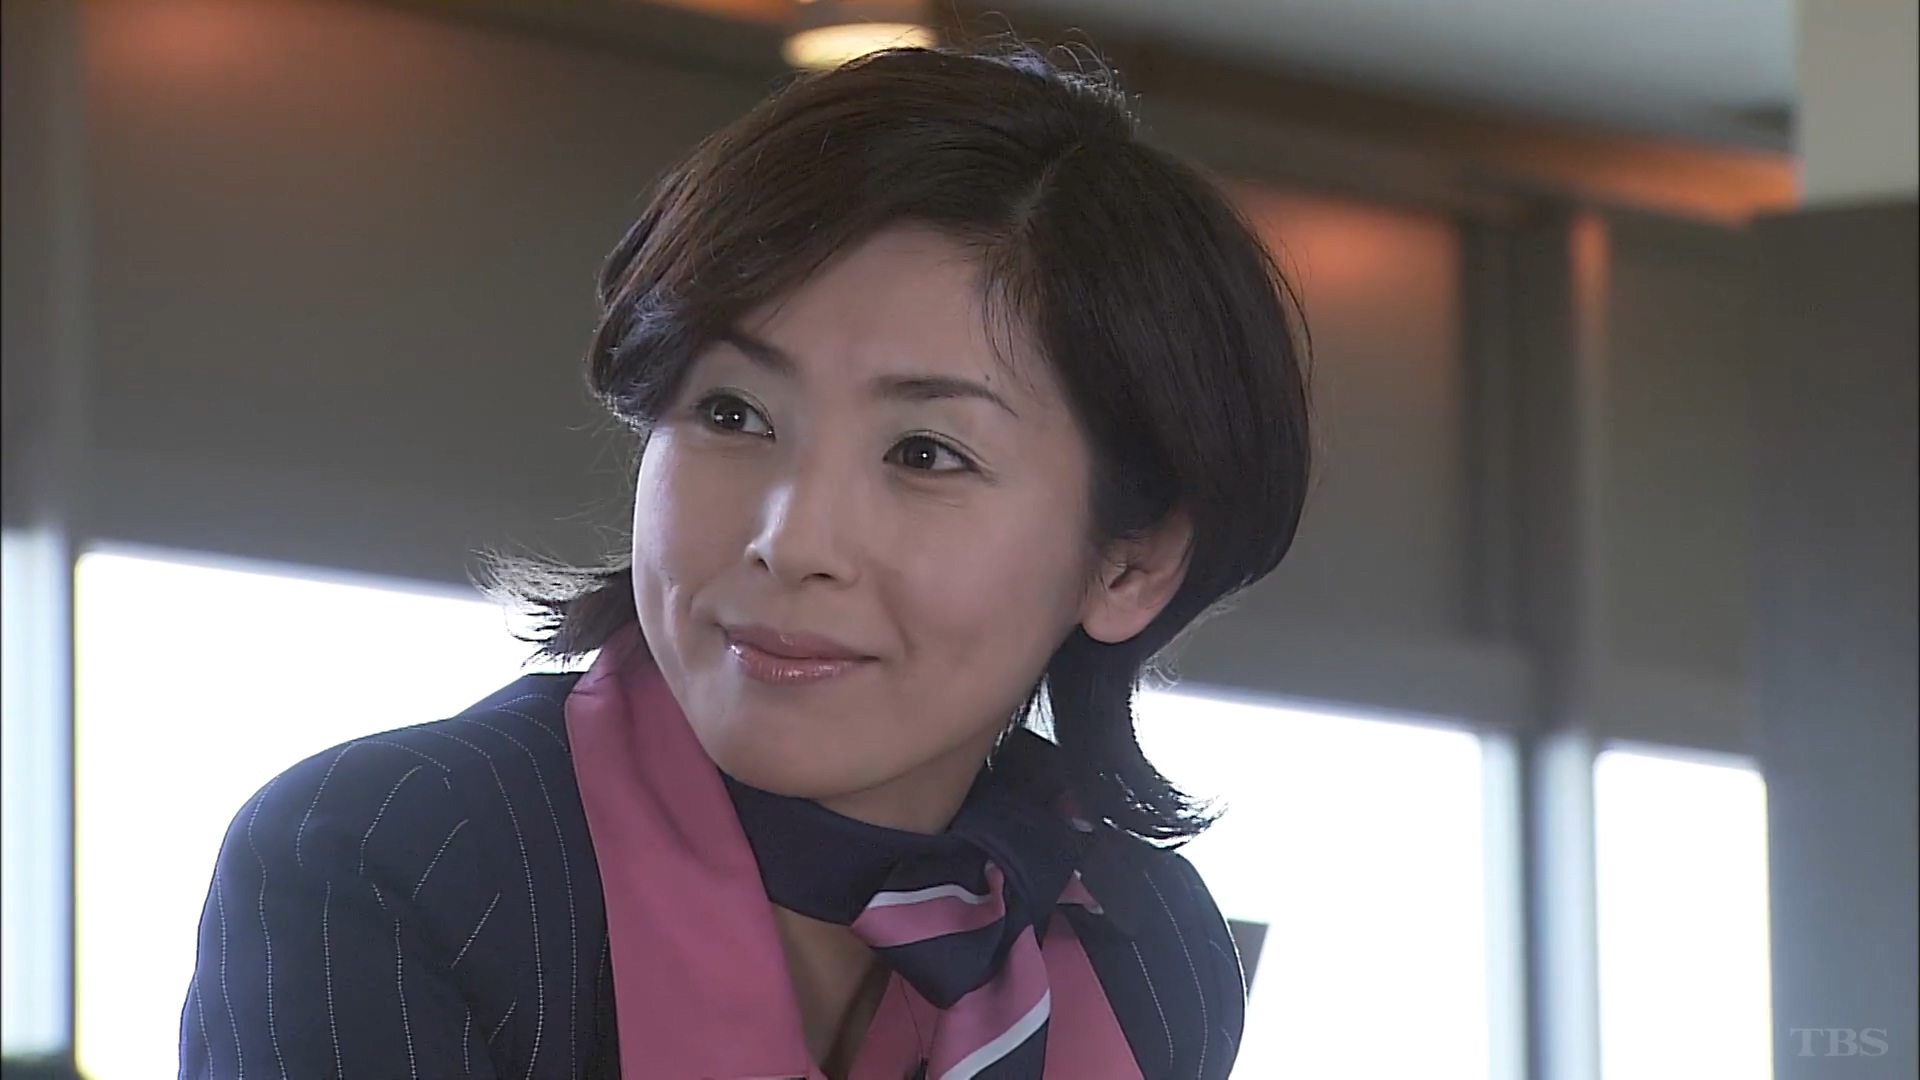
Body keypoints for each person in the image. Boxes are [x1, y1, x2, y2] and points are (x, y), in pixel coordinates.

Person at [180, 44, 1310, 1080]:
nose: (792, 540)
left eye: (925, 452)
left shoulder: (1146, 947)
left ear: (1130, 564)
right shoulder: (400, 860)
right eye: (731, 413)